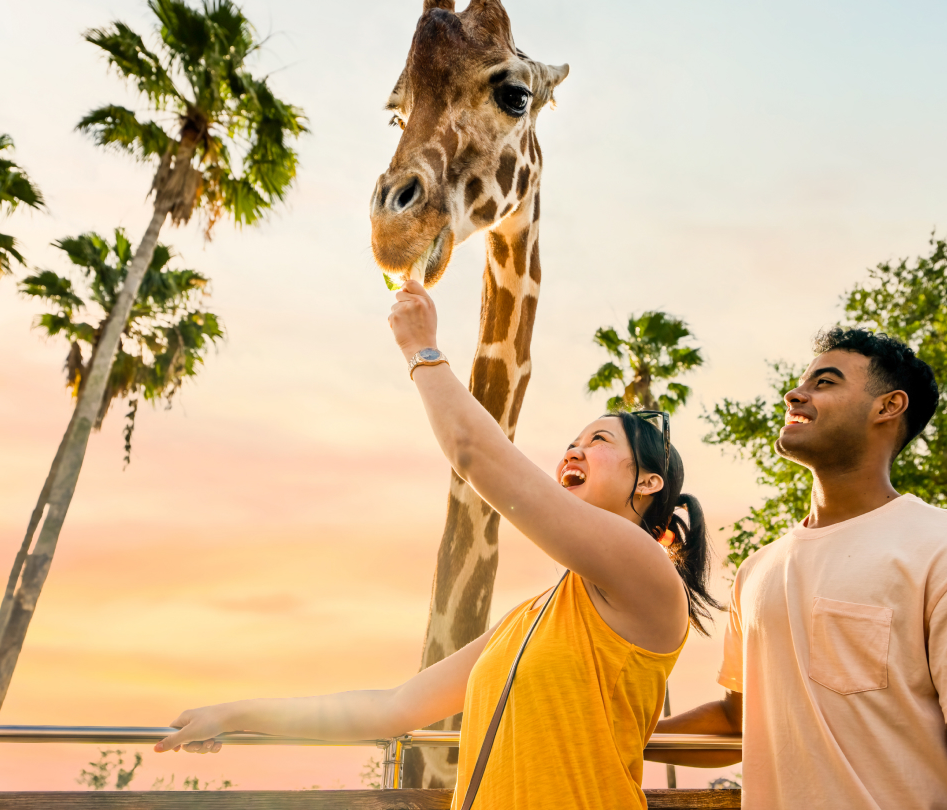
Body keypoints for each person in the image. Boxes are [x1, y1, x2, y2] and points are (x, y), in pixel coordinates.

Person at [155, 279, 721, 809]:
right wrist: (231, 714)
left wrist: (422, 350)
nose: (572, 452)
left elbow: (475, 455)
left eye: (597, 441)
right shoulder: (532, 620)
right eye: (570, 442)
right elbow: (391, 708)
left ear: (648, 483)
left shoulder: (645, 568)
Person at [649, 327, 947, 810]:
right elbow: (740, 721)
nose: (795, 393)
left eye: (825, 382)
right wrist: (604, 729)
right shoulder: (758, 569)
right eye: (801, 381)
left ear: (888, 407)